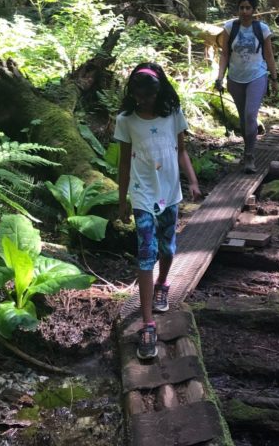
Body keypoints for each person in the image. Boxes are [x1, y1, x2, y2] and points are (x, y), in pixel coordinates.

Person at [115, 62, 201, 360]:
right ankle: (147, 322)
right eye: (139, 95)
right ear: (133, 92)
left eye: (149, 95)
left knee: (167, 248)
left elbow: (182, 151)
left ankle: (163, 283)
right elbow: (124, 162)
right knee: (145, 252)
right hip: (142, 195)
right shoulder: (126, 120)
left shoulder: (172, 115)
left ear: (158, 91)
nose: (144, 100)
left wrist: (193, 181)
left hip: (170, 194)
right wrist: (122, 199)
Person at [214, 0, 277, 173]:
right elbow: (225, 54)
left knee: (250, 115)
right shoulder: (229, 27)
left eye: (248, 7)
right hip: (235, 78)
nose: (244, 11)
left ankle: (250, 156)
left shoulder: (262, 29)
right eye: (241, 7)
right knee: (243, 118)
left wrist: (274, 78)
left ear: (254, 10)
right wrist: (219, 76)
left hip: (257, 76)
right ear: (238, 9)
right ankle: (246, 151)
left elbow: (269, 55)